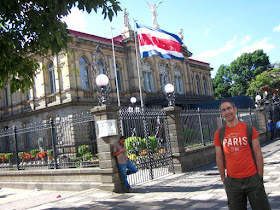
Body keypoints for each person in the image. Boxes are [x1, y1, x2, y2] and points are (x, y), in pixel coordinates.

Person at [214, 100, 270, 210]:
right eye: (223, 110)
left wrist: (259, 177)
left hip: (252, 178)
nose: (227, 112)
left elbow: (258, 154)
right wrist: (224, 180)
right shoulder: (219, 134)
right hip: (233, 181)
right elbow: (219, 158)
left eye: (229, 108)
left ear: (235, 109)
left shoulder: (248, 129)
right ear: (221, 114)